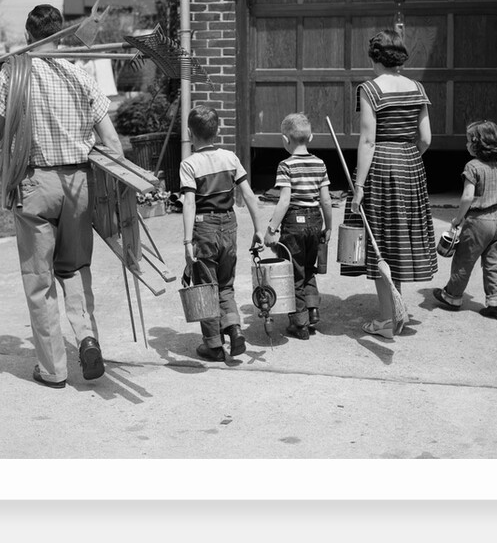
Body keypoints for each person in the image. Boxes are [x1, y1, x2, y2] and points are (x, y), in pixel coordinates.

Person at [0, 4, 124, 389]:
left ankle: (54, 370)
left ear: (28, 36)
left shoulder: (14, 74)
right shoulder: (80, 74)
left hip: (36, 186)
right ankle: (87, 338)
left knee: (39, 278)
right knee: (74, 269)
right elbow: (111, 142)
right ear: (60, 34)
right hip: (78, 185)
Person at [342, 28, 438, 340]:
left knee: (380, 241)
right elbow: (425, 139)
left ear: (376, 58)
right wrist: (407, 155)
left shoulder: (370, 89)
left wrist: (359, 185)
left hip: (381, 166)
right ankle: (397, 310)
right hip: (411, 165)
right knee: (400, 239)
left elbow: (368, 140)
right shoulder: (416, 87)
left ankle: (386, 320)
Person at [179, 105, 265, 361]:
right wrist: (259, 229)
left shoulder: (189, 164)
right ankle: (234, 328)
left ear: (190, 134)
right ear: (217, 131)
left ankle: (214, 345)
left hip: (204, 229)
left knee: (206, 287)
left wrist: (186, 241)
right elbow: (248, 194)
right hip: (229, 225)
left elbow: (190, 203)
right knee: (226, 284)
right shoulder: (230, 158)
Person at [264, 113, 333, 339]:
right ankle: (313, 310)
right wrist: (329, 225)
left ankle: (300, 322)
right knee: (309, 267)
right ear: (311, 137)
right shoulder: (319, 163)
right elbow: (325, 199)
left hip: (294, 222)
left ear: (285, 140)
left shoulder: (286, 165)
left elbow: (284, 200)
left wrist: (272, 228)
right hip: (315, 220)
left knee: (294, 271)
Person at [433, 120, 497, 317]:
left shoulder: (473, 167)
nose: (466, 145)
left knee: (464, 260)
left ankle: (452, 296)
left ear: (477, 143)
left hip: (478, 222)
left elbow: (467, 196)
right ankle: (496, 299)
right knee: (493, 262)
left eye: (468, 141)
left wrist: (458, 218)